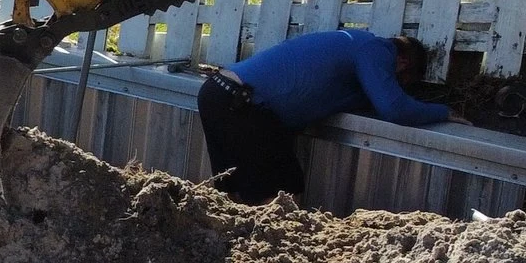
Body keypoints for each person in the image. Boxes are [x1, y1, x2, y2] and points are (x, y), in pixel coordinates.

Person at [197, 30, 462, 204]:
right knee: (284, 191)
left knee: (233, 191)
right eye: (404, 82)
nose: (396, 86)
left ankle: (230, 252)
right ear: (403, 63)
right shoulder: (376, 49)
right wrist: (443, 112)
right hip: (245, 105)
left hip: (216, 92)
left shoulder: (349, 45)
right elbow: (394, 107)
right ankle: (267, 255)